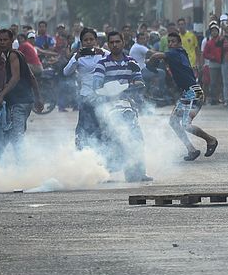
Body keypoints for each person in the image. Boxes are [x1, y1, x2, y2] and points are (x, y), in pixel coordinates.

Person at [147, 32, 219, 161]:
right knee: (174, 122)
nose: (170, 44)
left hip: (194, 92)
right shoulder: (178, 53)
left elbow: (157, 55)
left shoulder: (175, 53)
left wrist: (150, 64)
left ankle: (211, 140)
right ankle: (191, 150)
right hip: (188, 93)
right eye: (168, 42)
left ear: (179, 43)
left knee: (186, 125)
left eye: (173, 41)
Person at [92, 32, 152, 182]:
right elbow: (96, 84)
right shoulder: (102, 63)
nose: (115, 45)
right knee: (109, 139)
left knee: (136, 138)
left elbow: (139, 81)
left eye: (117, 42)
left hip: (128, 106)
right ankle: (104, 175)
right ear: (108, 44)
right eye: (111, 42)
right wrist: (107, 91)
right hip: (108, 106)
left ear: (123, 43)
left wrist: (132, 86)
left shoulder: (131, 62)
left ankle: (137, 173)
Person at [0, 30, 43, 158]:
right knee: (6, 135)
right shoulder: (18, 55)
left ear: (12, 41)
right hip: (25, 102)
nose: (2, 43)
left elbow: (15, 78)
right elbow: (31, 77)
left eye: (5, 40)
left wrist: (0, 96)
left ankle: (22, 168)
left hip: (18, 103)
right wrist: (38, 98)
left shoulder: (12, 55)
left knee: (16, 138)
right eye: (0, 40)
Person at [64, 28, 110, 148]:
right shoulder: (77, 56)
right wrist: (76, 58)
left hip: (102, 95)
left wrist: (104, 53)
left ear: (96, 40)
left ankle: (102, 151)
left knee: (102, 125)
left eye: (91, 39)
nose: (89, 42)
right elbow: (66, 72)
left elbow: (114, 60)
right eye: (86, 40)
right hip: (86, 95)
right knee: (84, 126)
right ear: (81, 42)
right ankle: (82, 152)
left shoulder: (103, 53)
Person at [202, 24, 224, 105]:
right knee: (213, 82)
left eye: (215, 31)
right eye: (212, 31)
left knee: (220, 82)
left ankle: (220, 97)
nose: (214, 32)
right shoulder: (209, 43)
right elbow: (204, 54)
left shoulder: (221, 41)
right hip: (213, 64)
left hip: (222, 63)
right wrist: (212, 57)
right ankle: (213, 98)